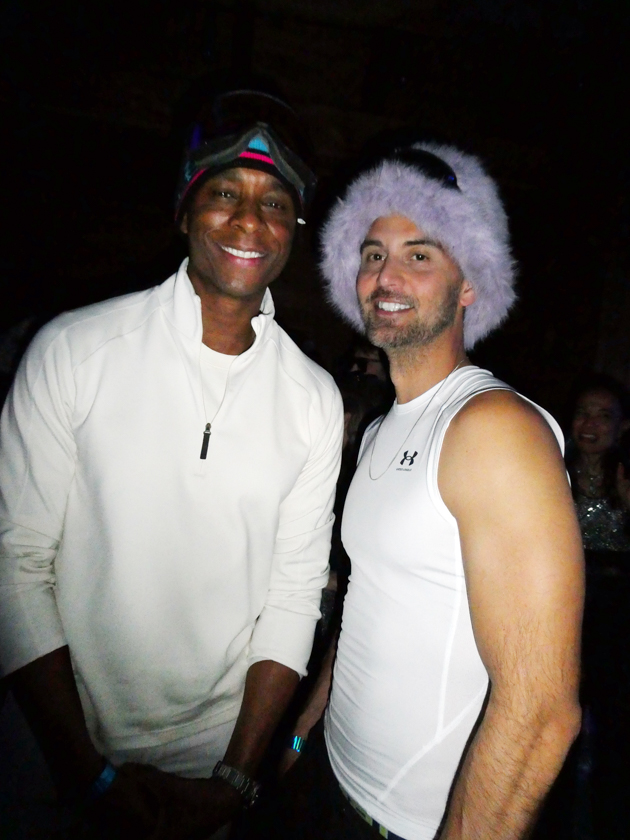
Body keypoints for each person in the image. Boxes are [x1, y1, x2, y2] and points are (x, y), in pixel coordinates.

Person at [0, 86, 343, 839]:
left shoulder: (313, 399)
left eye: (275, 203)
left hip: (210, 761)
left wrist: (234, 782)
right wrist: (84, 773)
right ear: (185, 209)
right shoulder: (74, 351)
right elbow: (15, 563)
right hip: (54, 746)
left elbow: (292, 598)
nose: (249, 220)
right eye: (224, 193)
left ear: (293, 231)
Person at [272, 142, 584, 840]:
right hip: (327, 782)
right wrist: (302, 732)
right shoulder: (382, 429)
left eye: (420, 254)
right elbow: (366, 600)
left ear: (469, 285)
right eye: (373, 253)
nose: (386, 275)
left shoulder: (493, 428)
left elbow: (541, 714)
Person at [566, 373, 630, 554]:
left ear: (622, 426)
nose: (589, 423)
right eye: (582, 413)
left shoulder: (626, 477)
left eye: (604, 416)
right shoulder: (550, 471)